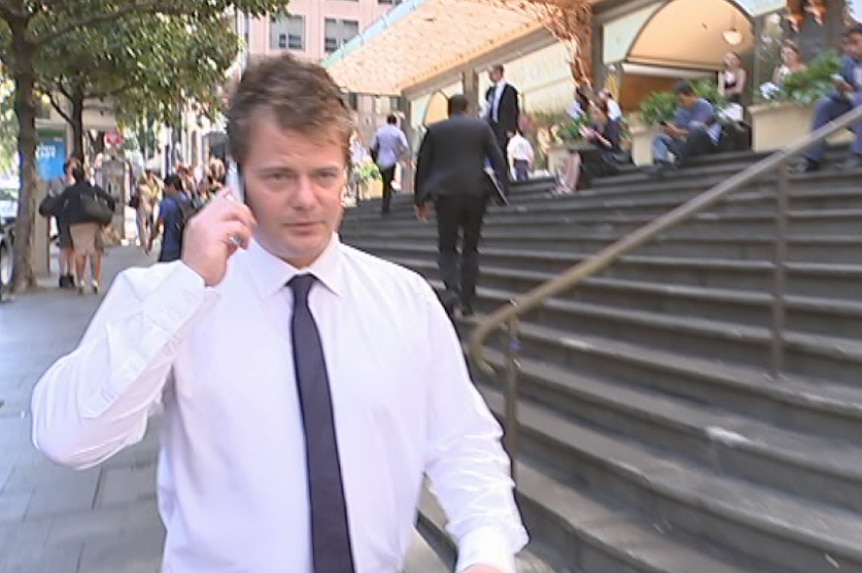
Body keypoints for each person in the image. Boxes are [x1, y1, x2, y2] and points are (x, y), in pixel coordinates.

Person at [31, 54, 527, 573]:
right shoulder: (165, 298)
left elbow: (463, 443)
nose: (306, 199)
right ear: (236, 180)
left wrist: (486, 553)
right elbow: (67, 436)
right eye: (279, 176)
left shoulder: (404, 301)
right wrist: (188, 287)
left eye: (324, 175)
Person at [415, 94, 509, 318]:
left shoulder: (436, 130)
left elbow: (423, 164)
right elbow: (498, 158)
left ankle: (452, 289)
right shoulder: (481, 128)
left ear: (449, 109)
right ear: (467, 108)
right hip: (476, 193)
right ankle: (467, 301)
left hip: (446, 195)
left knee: (447, 246)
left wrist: (420, 200)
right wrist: (502, 190)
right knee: (471, 247)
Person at [796, 23, 862, 172]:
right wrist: (841, 90)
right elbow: (834, 91)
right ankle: (812, 158)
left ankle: (859, 154)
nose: (850, 48)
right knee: (824, 104)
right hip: (853, 109)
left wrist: (854, 95)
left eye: (855, 42)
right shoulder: (847, 62)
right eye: (847, 44)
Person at [56, 162, 116, 295]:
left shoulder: (69, 191)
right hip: (93, 222)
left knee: (79, 251)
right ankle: (95, 281)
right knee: (95, 251)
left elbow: (60, 204)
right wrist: (107, 214)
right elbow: (109, 199)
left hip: (75, 224)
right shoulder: (92, 188)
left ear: (73, 176)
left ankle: (81, 281)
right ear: (85, 175)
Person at [648, 81, 720, 176]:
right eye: (678, 101)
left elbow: (702, 129)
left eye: (682, 100)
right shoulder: (681, 111)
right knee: (659, 138)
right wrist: (671, 131)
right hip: (686, 146)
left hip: (704, 144)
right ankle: (661, 163)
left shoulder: (705, 106)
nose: (680, 104)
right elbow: (680, 133)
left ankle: (680, 162)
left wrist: (678, 132)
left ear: (692, 95)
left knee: (695, 127)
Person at [45, 157, 78, 289]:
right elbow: (59, 197)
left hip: (75, 218)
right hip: (63, 217)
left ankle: (71, 273)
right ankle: (63, 275)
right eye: (73, 167)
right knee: (65, 246)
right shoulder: (58, 181)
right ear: (67, 168)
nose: (74, 170)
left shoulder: (78, 182)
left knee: (73, 247)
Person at [370, 114, 409, 215]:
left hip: (381, 159)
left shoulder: (380, 131)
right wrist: (399, 153)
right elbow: (405, 146)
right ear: (395, 122)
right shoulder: (398, 132)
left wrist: (374, 159)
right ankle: (386, 203)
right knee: (389, 181)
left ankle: (385, 203)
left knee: (385, 182)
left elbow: (372, 146)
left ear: (387, 121)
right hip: (392, 159)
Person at [147, 174, 191, 262]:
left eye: (166, 187)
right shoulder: (187, 200)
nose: (164, 190)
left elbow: (159, 224)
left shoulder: (167, 203)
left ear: (172, 186)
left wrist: (151, 240)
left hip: (169, 245)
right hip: (185, 245)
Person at [483, 64, 520, 159]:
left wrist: (511, 128)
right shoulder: (490, 91)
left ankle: (504, 171)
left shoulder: (509, 90)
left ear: (499, 73)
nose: (490, 76)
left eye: (492, 73)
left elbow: (513, 110)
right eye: (489, 74)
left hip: (504, 126)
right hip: (492, 126)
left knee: (503, 151)